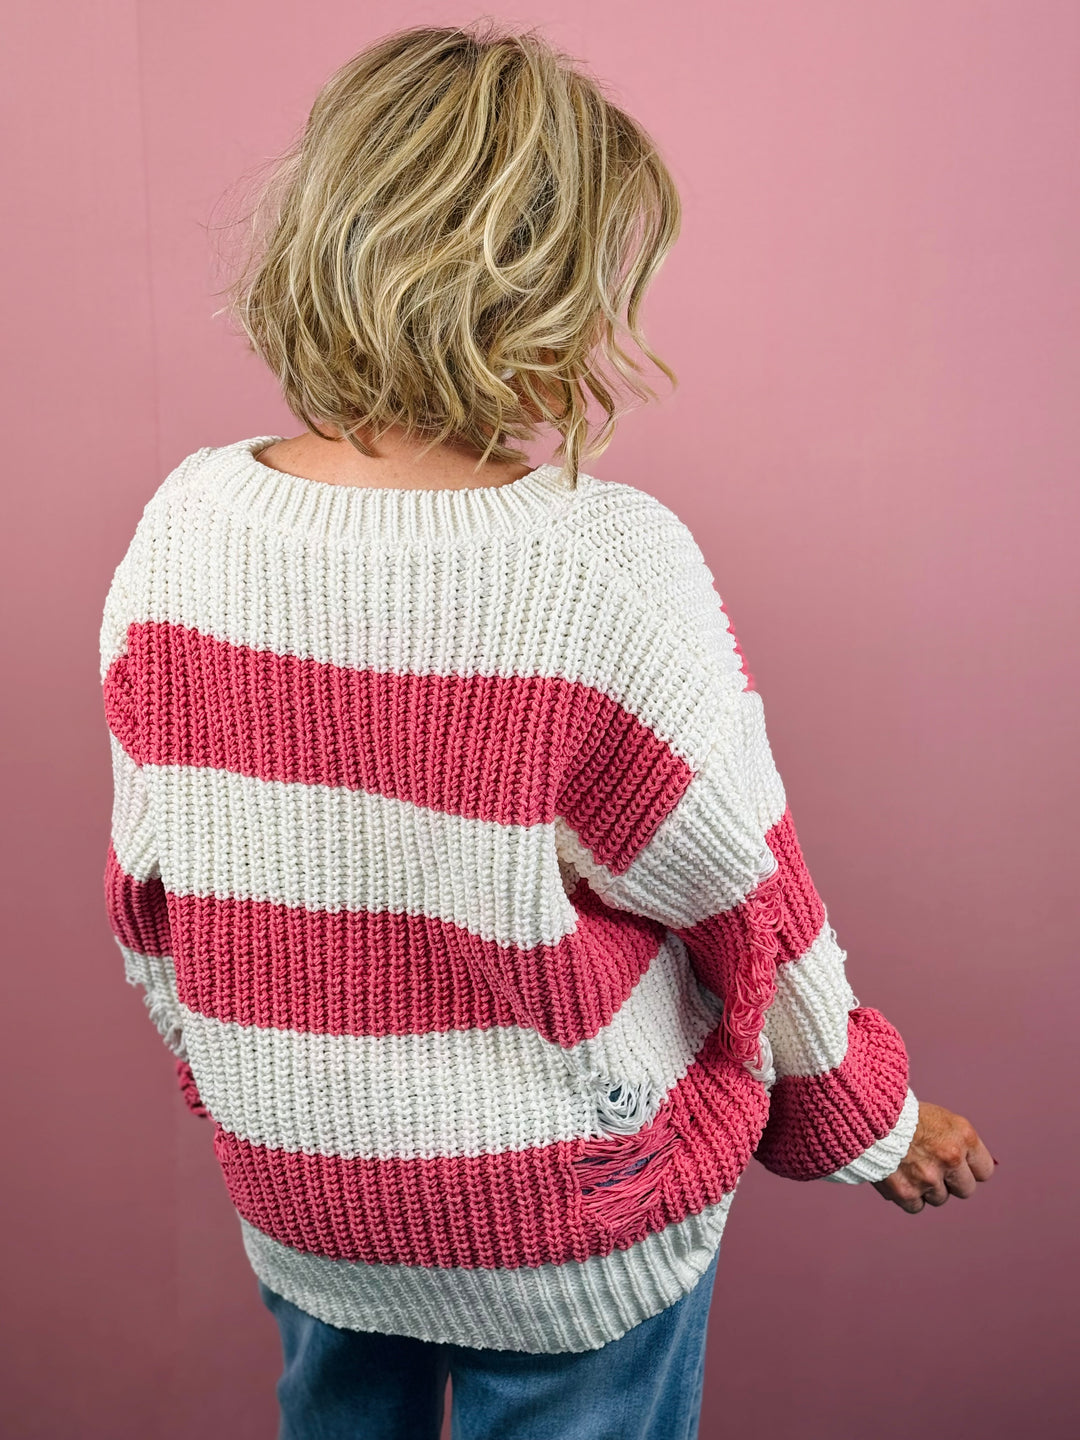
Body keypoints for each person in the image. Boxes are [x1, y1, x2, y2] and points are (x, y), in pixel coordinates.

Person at [99, 21, 995, 1440]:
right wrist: (865, 1120)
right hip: (569, 1223)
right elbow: (752, 902)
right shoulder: (598, 569)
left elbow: (149, 899)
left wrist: (265, 1100)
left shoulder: (181, 532)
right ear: (550, 288)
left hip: (307, 1202)